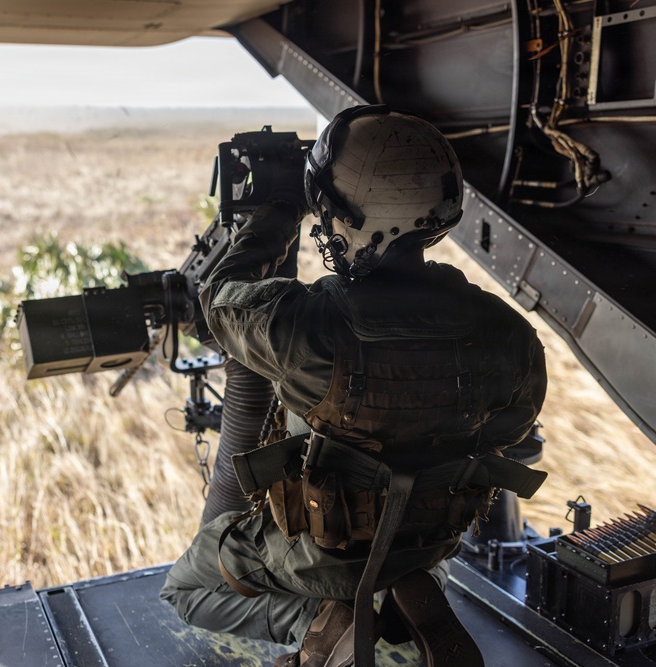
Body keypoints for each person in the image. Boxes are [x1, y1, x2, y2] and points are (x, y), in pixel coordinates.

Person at [160, 105, 548, 667]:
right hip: (429, 544)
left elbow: (221, 296)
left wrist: (277, 212)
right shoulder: (510, 336)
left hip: (320, 554)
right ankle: (404, 592)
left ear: (346, 214)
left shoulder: (305, 329)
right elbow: (510, 434)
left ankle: (322, 619)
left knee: (186, 588)